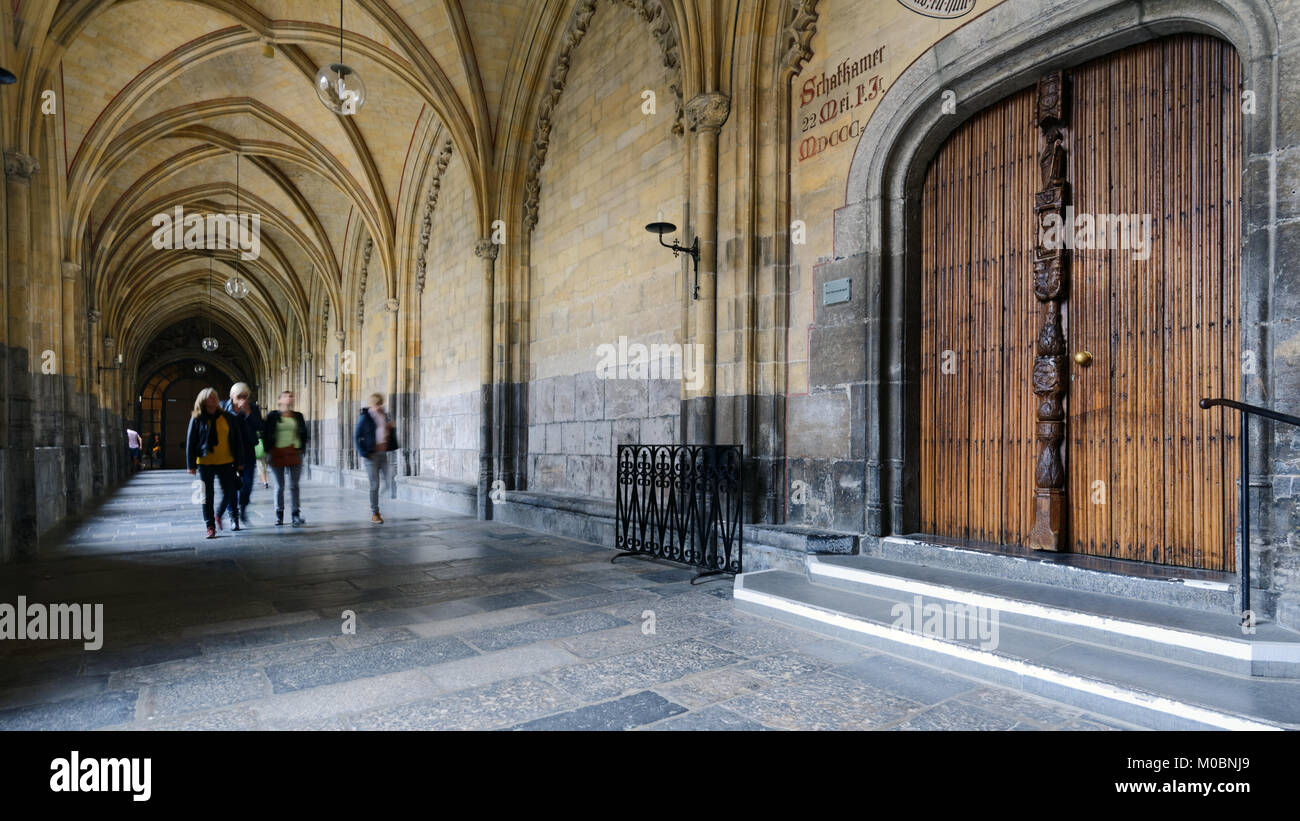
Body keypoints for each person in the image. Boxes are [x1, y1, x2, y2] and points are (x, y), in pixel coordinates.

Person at [186, 387, 245, 539]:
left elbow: (237, 440)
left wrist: (239, 461)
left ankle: (219, 514)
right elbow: (191, 441)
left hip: (226, 461)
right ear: (204, 399)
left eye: (215, 396)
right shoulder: (197, 417)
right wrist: (190, 464)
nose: (214, 399)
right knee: (207, 495)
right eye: (211, 397)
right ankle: (210, 526)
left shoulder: (227, 417)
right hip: (205, 462)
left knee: (230, 490)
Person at [261, 390, 310, 527]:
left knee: (294, 486)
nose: (290, 398)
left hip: (295, 452)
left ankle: (295, 514)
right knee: (279, 486)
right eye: (287, 396)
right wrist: (268, 451)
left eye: (292, 396)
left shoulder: (298, 416)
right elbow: (266, 433)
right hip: (277, 453)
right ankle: (279, 514)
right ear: (280, 400)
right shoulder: (273, 416)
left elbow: (304, 432)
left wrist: (302, 447)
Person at [218, 382, 263, 527]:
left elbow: (260, 426)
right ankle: (233, 517)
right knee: (231, 486)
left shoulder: (253, 408)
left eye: (245, 396)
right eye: (239, 396)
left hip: (247, 451)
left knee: (247, 485)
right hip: (229, 452)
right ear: (232, 396)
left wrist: (248, 413)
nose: (242, 399)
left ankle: (242, 508)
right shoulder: (223, 407)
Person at [354, 393, 397, 524]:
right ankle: (375, 513)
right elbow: (357, 436)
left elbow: (387, 433)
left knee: (390, 477)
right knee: (375, 484)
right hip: (371, 455)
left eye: (380, 404)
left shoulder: (384, 416)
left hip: (383, 454)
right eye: (376, 404)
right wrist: (364, 453)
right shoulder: (365, 417)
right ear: (372, 404)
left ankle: (379, 497)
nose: (379, 406)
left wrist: (390, 428)